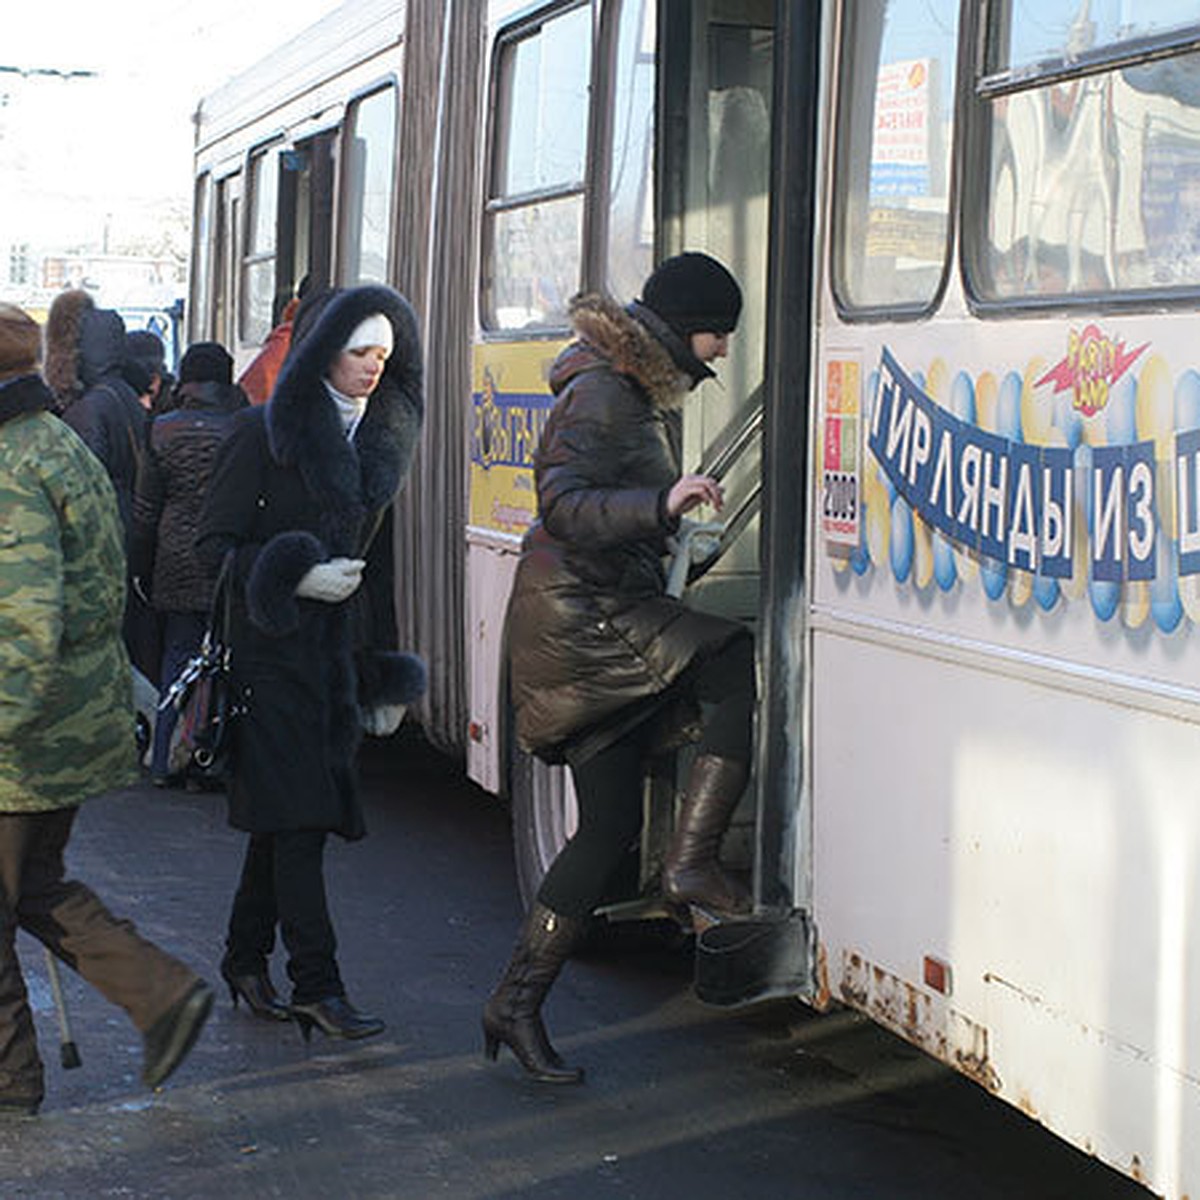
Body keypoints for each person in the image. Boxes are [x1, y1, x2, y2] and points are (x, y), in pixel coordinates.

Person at [482, 253, 757, 1084]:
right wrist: (659, 505)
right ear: (682, 326)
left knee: (605, 829)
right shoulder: (604, 393)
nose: (719, 353)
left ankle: (515, 1004)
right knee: (727, 658)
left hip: (592, 616)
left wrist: (665, 526)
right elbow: (561, 504)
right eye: (718, 333)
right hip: (588, 621)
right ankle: (692, 864)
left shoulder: (624, 385)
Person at [0, 303, 213, 1115]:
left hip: (24, 736)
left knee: (23, 892)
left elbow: (21, 621)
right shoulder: (52, 442)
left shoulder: (13, 465)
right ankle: (159, 998)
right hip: (63, 721)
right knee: (35, 888)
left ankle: (17, 1076)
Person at [196, 284, 425, 1038]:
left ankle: (242, 958)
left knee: (284, 824)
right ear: (325, 350)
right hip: (267, 659)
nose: (371, 369)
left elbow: (378, 573)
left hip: (330, 668)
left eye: (384, 357)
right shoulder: (262, 433)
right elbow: (212, 547)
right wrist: (290, 575)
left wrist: (384, 676)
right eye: (360, 351)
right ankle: (316, 985)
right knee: (299, 824)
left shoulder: (377, 447)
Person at [130, 341, 249, 786]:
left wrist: (141, 567)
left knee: (178, 656)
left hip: (175, 556)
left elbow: (145, 512)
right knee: (228, 659)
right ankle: (213, 758)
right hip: (227, 556)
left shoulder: (160, 428)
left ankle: (165, 759)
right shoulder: (245, 426)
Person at [43, 290, 155, 680]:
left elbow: (82, 482)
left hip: (108, 527)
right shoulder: (124, 393)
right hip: (129, 518)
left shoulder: (89, 406)